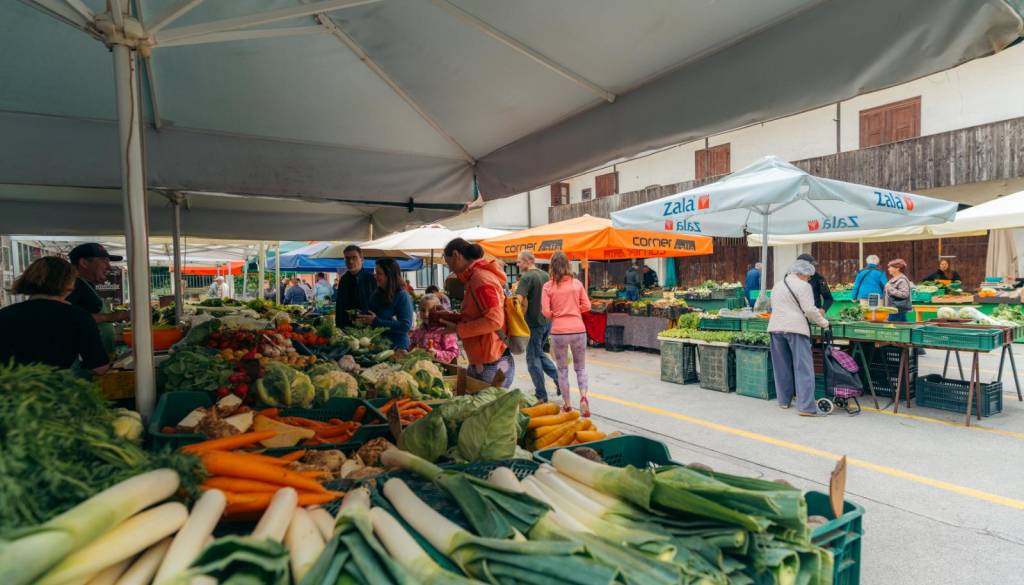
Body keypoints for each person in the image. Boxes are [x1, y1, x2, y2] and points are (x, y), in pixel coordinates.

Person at [0, 257, 109, 374]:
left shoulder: (4, 315)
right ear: (69, 283)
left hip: (9, 389)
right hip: (59, 389)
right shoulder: (79, 317)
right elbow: (99, 368)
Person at [441, 238, 515, 387]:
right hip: (486, 358)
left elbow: (494, 321)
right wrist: (454, 318)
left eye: (449, 264)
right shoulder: (475, 278)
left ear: (456, 255)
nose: (451, 270)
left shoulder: (480, 279)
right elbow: (478, 314)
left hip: (491, 360)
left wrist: (459, 329)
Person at [768, 259, 830, 417]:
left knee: (781, 367)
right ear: (802, 274)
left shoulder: (777, 285)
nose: (808, 279)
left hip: (775, 327)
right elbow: (809, 310)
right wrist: (824, 323)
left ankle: (784, 401)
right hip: (796, 328)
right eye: (808, 276)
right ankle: (806, 407)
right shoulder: (803, 286)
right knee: (803, 368)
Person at [542, 252, 592, 416]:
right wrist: (575, 310)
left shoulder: (548, 286)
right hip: (578, 329)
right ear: (568, 266)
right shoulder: (576, 284)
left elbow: (546, 312)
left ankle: (568, 405)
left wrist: (556, 314)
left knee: (562, 370)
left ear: (552, 267)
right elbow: (587, 306)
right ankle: (584, 397)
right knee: (580, 368)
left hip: (559, 331)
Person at [65, 243, 130, 353]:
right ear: (84, 263)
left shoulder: (86, 285)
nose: (109, 266)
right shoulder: (73, 285)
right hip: (87, 362)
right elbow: (67, 318)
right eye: (104, 260)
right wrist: (111, 316)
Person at [516, 251, 559, 403]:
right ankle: (559, 379)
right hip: (546, 321)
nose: (517, 264)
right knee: (539, 353)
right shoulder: (545, 275)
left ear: (528, 261)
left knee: (532, 359)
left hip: (533, 323)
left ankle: (541, 394)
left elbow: (518, 300)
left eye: (519, 261)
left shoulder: (526, 277)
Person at [357, 258, 414, 350]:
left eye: (379, 273)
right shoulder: (377, 294)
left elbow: (405, 326)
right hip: (378, 345)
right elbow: (373, 316)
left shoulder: (402, 296)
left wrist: (376, 321)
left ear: (390, 275)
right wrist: (362, 317)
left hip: (397, 348)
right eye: (376, 272)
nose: (375, 276)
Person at [335, 245, 377, 328]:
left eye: (354, 257)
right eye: (347, 258)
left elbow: (378, 304)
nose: (350, 261)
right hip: (347, 328)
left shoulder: (371, 279)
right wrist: (339, 326)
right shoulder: (343, 279)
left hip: (368, 328)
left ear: (362, 259)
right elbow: (339, 305)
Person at [409, 294, 459, 363]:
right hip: (420, 367)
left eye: (430, 311)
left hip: (440, 368)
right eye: (423, 310)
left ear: (439, 312)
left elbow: (454, 353)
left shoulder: (445, 331)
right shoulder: (418, 330)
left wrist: (436, 353)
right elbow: (412, 345)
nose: (426, 314)